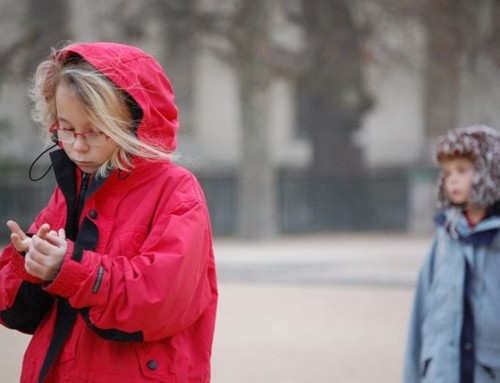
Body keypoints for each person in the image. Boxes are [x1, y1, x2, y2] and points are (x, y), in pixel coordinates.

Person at [0, 42, 218, 383]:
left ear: (132, 125)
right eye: (66, 128)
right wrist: (29, 262)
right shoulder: (72, 185)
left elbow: (161, 300)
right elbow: (16, 310)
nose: (78, 145)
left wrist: (69, 268)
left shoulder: (176, 189)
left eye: (95, 131)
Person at [403, 125, 500, 383]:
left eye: (462, 170)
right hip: (442, 372)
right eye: (447, 173)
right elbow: (421, 311)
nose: (452, 180)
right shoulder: (446, 237)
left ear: (489, 172)